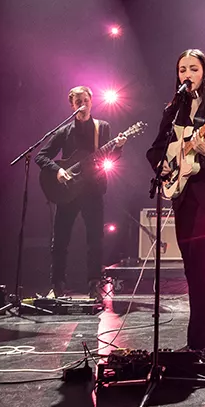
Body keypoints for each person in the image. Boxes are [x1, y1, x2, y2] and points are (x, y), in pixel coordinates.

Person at [144, 48, 205, 357]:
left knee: (200, 260)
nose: (187, 74)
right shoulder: (174, 109)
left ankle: (201, 342)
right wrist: (161, 165)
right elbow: (156, 148)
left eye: (193, 68)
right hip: (184, 192)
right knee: (191, 265)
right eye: (182, 69)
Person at [35, 86, 125, 298]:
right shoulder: (64, 131)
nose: (83, 105)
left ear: (91, 102)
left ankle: (94, 285)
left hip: (93, 191)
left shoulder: (102, 127)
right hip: (67, 192)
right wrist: (57, 170)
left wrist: (119, 146)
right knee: (60, 240)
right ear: (72, 105)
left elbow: (110, 157)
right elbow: (41, 156)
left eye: (86, 101)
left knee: (95, 240)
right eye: (78, 102)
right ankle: (57, 285)